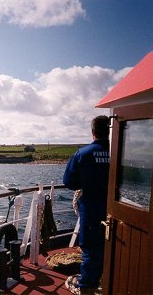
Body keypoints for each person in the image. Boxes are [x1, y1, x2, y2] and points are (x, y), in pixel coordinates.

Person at [63, 115, 110, 294]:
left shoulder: (82, 154)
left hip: (91, 209)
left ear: (93, 133)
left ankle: (88, 288)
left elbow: (69, 181)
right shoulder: (121, 151)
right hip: (117, 209)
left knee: (91, 249)